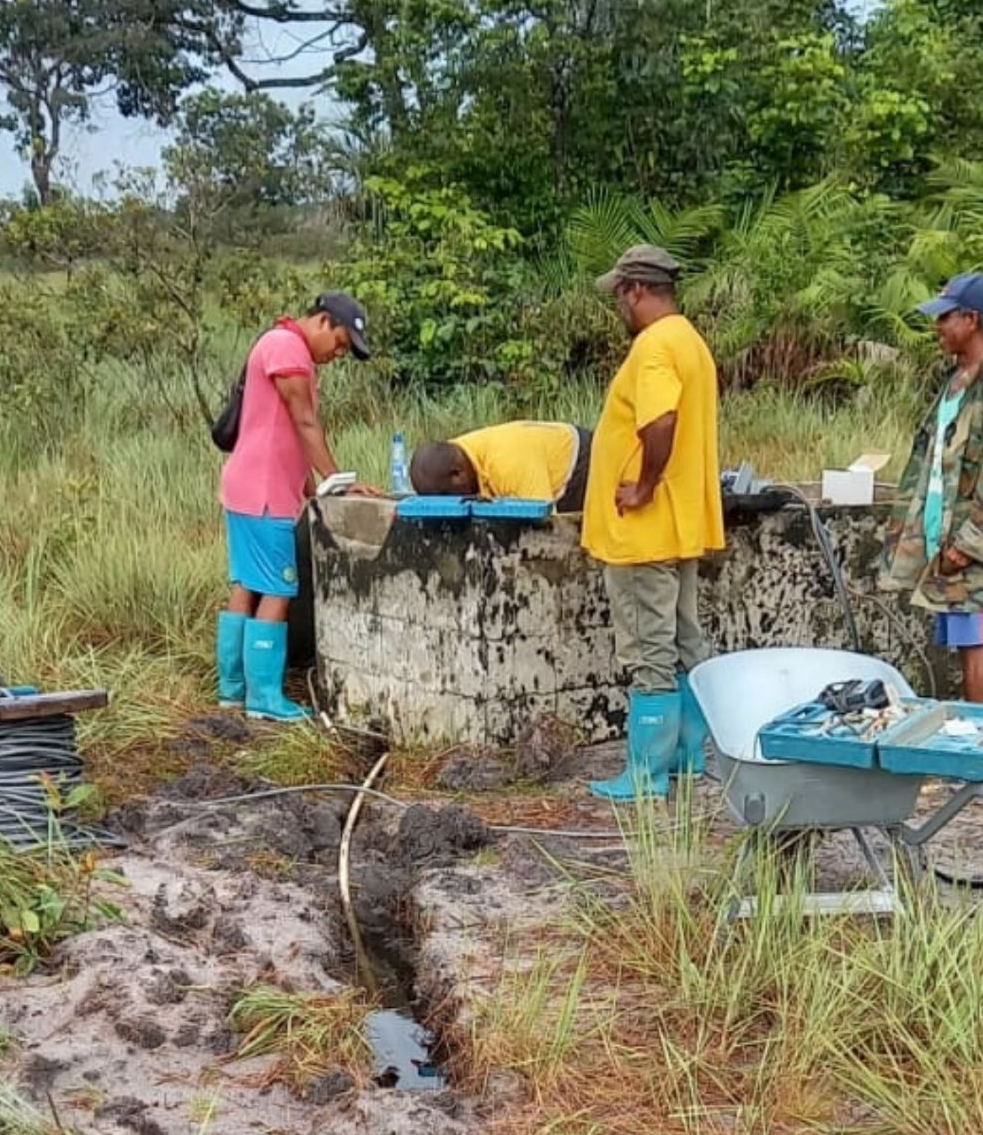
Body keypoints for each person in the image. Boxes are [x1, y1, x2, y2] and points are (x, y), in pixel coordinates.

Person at [582, 244, 723, 799]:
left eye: (620, 294)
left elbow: (659, 420)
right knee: (685, 643)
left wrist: (641, 486)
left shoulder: (656, 346)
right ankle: (687, 758)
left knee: (648, 651)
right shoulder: (690, 342)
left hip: (643, 534)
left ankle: (646, 775)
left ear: (637, 289)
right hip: (678, 527)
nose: (619, 304)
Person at [217, 293, 370, 722]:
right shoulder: (288, 348)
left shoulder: (280, 344)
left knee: (247, 584)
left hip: (248, 486)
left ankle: (232, 688)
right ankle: (263, 698)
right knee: (280, 591)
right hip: (264, 494)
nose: (338, 354)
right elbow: (303, 421)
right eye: (339, 342)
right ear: (323, 321)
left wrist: (308, 484)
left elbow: (280, 429)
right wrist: (338, 480)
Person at [879, 272, 983, 706]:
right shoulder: (955, 380)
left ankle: (981, 744)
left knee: (976, 639)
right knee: (961, 639)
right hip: (940, 533)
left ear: (973, 319)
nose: (938, 327)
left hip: (970, 540)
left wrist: (971, 544)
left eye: (946, 317)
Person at [408, 422, 592, 513]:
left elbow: (546, 521)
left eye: (450, 497)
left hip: (583, 465)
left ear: (458, 474)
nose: (454, 503)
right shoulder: (449, 457)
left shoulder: (507, 465)